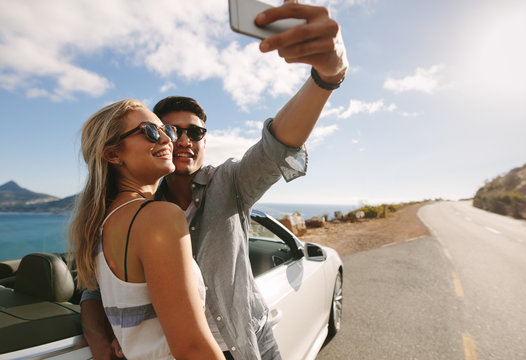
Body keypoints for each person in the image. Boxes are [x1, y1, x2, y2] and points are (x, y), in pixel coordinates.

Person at [81, 1, 348, 359]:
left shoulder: (230, 183)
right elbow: (94, 291)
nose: (180, 140)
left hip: (244, 341)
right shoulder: (135, 211)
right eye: (168, 130)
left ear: (205, 140)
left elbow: (277, 145)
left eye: (196, 132)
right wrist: (104, 344)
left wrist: (326, 77)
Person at [70, 99, 225, 360]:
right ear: (112, 154)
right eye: (150, 131)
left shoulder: (103, 224)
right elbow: (193, 349)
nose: (168, 139)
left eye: (167, 130)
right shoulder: (158, 217)